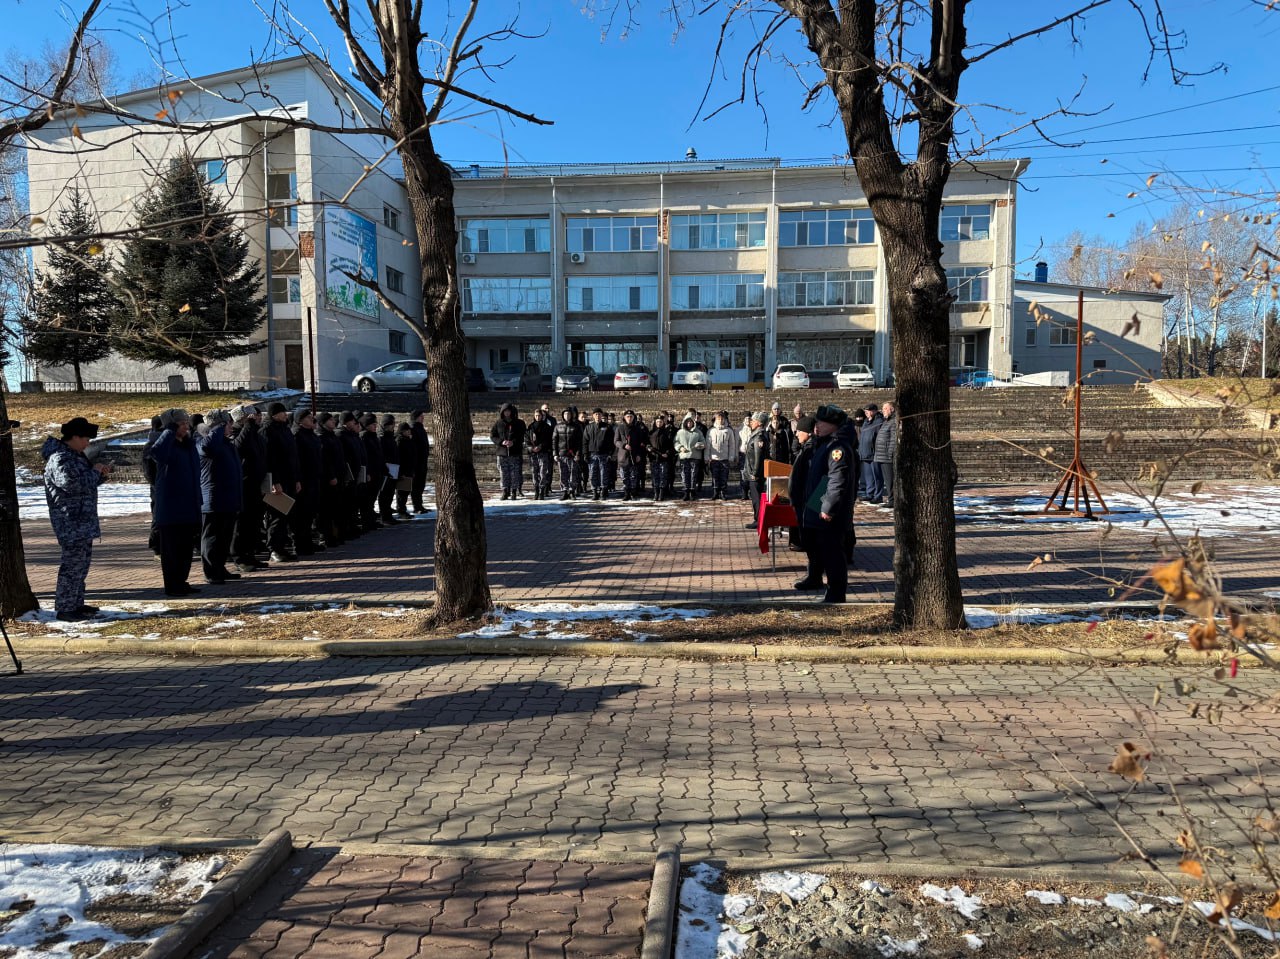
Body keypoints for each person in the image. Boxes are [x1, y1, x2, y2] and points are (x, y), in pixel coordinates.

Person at [41, 416, 110, 621]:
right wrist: (95, 471)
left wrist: (100, 475)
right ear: (75, 437)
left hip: (81, 521)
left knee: (81, 565)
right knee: (72, 566)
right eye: (86, 438)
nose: (88, 443)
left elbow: (84, 483)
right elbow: (71, 484)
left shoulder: (75, 456)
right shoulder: (60, 458)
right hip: (70, 522)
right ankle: (65, 608)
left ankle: (76, 603)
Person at [795, 405, 856, 603]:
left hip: (829, 510)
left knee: (832, 552)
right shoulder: (824, 444)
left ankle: (836, 593)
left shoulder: (838, 448)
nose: (816, 426)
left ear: (832, 425)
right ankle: (816, 579)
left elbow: (837, 480)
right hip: (816, 504)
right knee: (817, 547)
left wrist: (828, 508)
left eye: (821, 423)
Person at [150, 408, 202, 596]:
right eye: (181, 424)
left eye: (186, 423)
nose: (186, 426)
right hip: (171, 509)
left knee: (185, 551)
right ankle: (172, 585)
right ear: (171, 426)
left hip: (189, 506)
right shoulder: (163, 443)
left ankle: (181, 581)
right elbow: (157, 453)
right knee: (172, 551)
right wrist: (169, 431)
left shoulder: (188, 445)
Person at [197, 409, 243, 584]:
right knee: (212, 536)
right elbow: (207, 448)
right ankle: (211, 571)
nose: (231, 427)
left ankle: (220, 567)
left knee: (224, 537)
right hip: (213, 498)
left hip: (228, 497)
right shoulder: (203, 440)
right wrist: (218, 428)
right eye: (228, 423)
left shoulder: (225, 443)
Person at [229, 406, 268, 573]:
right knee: (242, 524)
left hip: (256, 483)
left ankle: (250, 554)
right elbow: (237, 447)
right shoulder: (236, 432)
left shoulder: (254, 433)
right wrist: (247, 426)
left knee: (254, 522)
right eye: (252, 416)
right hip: (243, 484)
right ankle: (239, 556)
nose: (257, 418)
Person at [262, 402, 301, 559]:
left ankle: (283, 547)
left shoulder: (285, 429)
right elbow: (269, 459)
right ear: (274, 414)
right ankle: (274, 549)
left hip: (290, 479)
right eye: (282, 412)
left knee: (287, 515)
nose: (286, 414)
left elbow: (294, 456)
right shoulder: (267, 431)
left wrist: (297, 479)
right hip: (278, 481)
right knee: (277, 516)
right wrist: (274, 481)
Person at [292, 409, 323, 554]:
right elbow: (296, 460)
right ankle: (300, 544)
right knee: (302, 514)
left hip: (315, 479)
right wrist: (298, 479)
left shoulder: (313, 436)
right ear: (300, 420)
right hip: (304, 480)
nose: (312, 419)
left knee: (311, 512)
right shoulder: (297, 436)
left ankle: (308, 541)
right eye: (308, 417)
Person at [317, 412, 346, 548]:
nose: (333, 421)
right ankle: (326, 536)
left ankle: (336, 534)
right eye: (330, 420)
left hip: (339, 477)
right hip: (329, 480)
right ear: (323, 423)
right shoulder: (322, 437)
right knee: (326, 510)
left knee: (337, 508)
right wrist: (331, 476)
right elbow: (326, 460)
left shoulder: (333, 436)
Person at [788, 415, 816, 552]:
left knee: (811, 539)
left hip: (806, 500)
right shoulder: (806, 448)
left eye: (800, 431)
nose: (797, 433)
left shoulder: (811, 450)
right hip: (801, 499)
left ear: (809, 432)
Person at [339, 411, 370, 535]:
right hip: (348, 474)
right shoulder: (341, 436)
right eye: (353, 421)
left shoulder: (353, 436)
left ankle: (352, 526)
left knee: (353, 503)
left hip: (357, 473)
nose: (356, 424)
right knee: (347, 503)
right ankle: (347, 528)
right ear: (347, 422)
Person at [491, 403, 527, 500]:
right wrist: (501, 442)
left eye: (508, 411)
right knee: (503, 473)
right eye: (505, 411)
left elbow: (522, 436)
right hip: (502, 452)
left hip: (515, 452)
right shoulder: (498, 423)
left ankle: (514, 491)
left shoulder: (519, 423)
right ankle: (505, 491)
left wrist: (513, 442)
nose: (507, 413)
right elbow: (493, 436)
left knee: (515, 473)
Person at [360, 413, 387, 529]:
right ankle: (367, 521)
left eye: (375, 423)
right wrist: (368, 472)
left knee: (372, 498)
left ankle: (371, 520)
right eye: (372, 424)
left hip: (378, 472)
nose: (375, 426)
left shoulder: (374, 436)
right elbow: (365, 457)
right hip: (370, 472)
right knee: (367, 499)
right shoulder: (364, 437)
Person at [742, 411, 768, 527]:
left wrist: (755, 473)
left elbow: (759, 457)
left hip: (755, 474)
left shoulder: (759, 437)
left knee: (756, 498)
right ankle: (757, 519)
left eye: (753, 420)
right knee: (755, 497)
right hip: (753, 471)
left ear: (758, 423)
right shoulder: (756, 434)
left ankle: (759, 520)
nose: (751, 422)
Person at [583, 408, 614, 500]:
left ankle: (603, 491)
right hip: (592, 455)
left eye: (599, 414)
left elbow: (612, 442)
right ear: (593, 416)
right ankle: (594, 492)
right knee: (593, 474)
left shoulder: (607, 427)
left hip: (604, 454)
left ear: (602, 416)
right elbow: (585, 441)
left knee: (603, 473)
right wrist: (585, 454)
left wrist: (610, 453)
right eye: (596, 414)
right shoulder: (588, 427)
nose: (597, 416)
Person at [614, 409, 645, 501]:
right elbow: (616, 441)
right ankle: (626, 493)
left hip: (634, 456)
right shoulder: (620, 428)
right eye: (627, 416)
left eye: (631, 417)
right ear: (624, 417)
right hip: (623, 456)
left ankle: (633, 492)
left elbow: (641, 443)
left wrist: (639, 454)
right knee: (624, 476)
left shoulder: (637, 428)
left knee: (633, 476)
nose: (629, 418)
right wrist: (623, 445)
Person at [705, 412, 737, 501]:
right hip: (714, 458)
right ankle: (715, 492)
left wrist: (731, 457)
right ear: (715, 420)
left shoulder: (728, 431)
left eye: (722, 419)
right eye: (718, 419)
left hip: (724, 458)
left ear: (725, 420)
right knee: (715, 476)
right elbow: (708, 445)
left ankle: (723, 492)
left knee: (724, 476)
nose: (720, 420)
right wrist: (706, 457)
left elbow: (732, 445)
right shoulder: (711, 431)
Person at [553, 406, 583, 500]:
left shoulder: (576, 426)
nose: (567, 415)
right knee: (563, 474)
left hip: (572, 454)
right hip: (561, 454)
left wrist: (578, 454)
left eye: (569, 414)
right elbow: (554, 441)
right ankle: (565, 491)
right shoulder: (558, 426)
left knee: (573, 474)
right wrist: (555, 454)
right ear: (563, 415)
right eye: (565, 414)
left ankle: (572, 491)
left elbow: (580, 441)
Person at [675, 415, 705, 501]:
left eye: (691, 422)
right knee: (684, 475)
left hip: (695, 456)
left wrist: (699, 445)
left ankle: (692, 491)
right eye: (687, 422)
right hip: (684, 457)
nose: (689, 423)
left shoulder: (698, 432)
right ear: (684, 422)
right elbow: (676, 442)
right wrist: (680, 448)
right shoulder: (680, 432)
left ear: (693, 423)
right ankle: (686, 491)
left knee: (693, 475)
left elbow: (703, 442)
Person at [873, 401, 897, 507]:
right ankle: (891, 499)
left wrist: (890, 453)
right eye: (882, 409)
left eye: (885, 409)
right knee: (887, 480)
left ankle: (892, 500)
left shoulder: (893, 422)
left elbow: (893, 439)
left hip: (887, 456)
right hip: (882, 455)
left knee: (890, 480)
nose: (883, 411)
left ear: (892, 409)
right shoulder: (886, 421)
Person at [527, 407, 555, 499]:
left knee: (543, 472)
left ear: (542, 416)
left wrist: (541, 446)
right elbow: (527, 439)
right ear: (534, 416)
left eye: (539, 415)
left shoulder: (547, 427)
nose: (538, 417)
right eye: (536, 416)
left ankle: (542, 490)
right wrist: (531, 448)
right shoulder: (530, 427)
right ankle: (536, 490)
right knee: (534, 472)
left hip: (543, 452)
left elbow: (549, 440)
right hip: (533, 453)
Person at [858, 403, 883, 503]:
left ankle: (878, 495)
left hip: (874, 453)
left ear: (874, 411)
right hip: (865, 453)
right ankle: (870, 493)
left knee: (876, 476)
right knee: (868, 477)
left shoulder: (879, 421)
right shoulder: (866, 422)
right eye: (865, 411)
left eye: (868, 410)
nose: (866, 412)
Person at [646, 413, 675, 502]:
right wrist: (648, 448)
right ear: (655, 422)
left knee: (663, 476)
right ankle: (656, 493)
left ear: (663, 423)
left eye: (661, 422)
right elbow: (647, 443)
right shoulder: (651, 433)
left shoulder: (667, 433)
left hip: (664, 458)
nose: (659, 423)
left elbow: (672, 446)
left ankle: (661, 494)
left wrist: (667, 453)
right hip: (654, 458)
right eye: (657, 422)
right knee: (655, 476)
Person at [378, 414, 400, 523]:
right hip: (386, 468)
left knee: (390, 493)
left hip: (394, 467)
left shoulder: (391, 437)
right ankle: (384, 516)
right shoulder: (381, 438)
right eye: (391, 424)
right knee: (385, 494)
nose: (393, 426)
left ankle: (388, 515)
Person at [410, 410, 431, 512]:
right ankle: (416, 505)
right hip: (417, 462)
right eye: (421, 416)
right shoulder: (413, 428)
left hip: (422, 461)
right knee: (416, 485)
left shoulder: (420, 428)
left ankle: (420, 504)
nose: (423, 418)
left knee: (421, 484)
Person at [395, 422, 416, 517]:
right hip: (403, 470)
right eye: (407, 430)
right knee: (402, 492)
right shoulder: (400, 441)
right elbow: (399, 457)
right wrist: (401, 472)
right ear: (402, 431)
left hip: (409, 469)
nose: (409, 432)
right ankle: (401, 510)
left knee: (406, 491)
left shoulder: (408, 440)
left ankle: (403, 509)